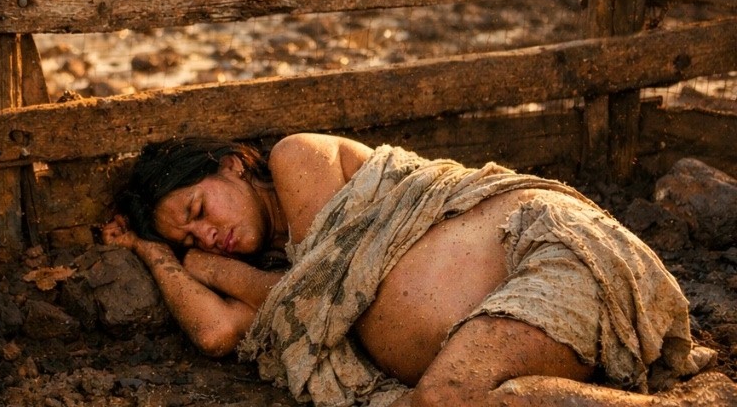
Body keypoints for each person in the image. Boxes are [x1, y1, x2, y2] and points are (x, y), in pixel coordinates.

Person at [102, 134, 737, 406]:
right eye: (191, 236)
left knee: (443, 396)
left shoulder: (298, 159)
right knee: (474, 398)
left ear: (233, 164)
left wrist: (215, 269)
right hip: (511, 319)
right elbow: (218, 332)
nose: (207, 235)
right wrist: (159, 255)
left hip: (545, 247)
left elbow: (329, 288)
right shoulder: (279, 274)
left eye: (197, 210)